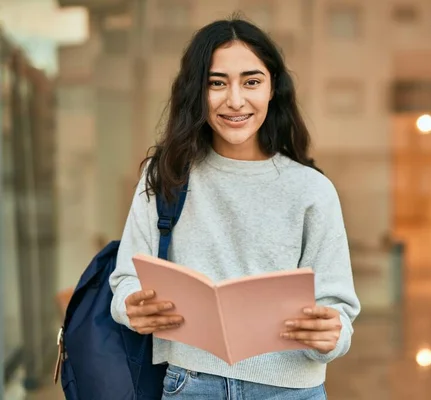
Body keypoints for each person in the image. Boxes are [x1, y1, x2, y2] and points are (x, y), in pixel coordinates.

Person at [109, 16, 360, 399]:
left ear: (273, 88)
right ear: (197, 91)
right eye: (217, 83)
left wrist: (331, 333)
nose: (236, 100)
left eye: (252, 81)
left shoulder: (312, 191)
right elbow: (126, 279)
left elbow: (337, 308)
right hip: (190, 384)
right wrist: (132, 307)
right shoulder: (165, 177)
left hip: (290, 390)